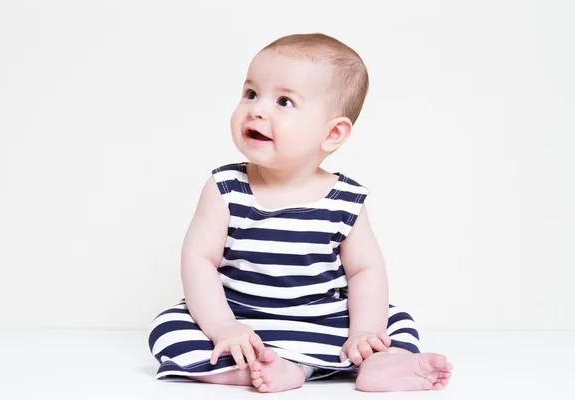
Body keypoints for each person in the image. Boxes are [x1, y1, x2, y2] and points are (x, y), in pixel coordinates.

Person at [148, 33, 453, 393]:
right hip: (242, 320)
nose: (257, 109)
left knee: (396, 321)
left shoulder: (345, 199)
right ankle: (270, 368)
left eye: (284, 101)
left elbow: (364, 270)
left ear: (333, 133)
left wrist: (364, 331)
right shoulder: (225, 187)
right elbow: (198, 259)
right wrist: (223, 328)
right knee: (168, 328)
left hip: (323, 320)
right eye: (250, 94)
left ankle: (377, 362)